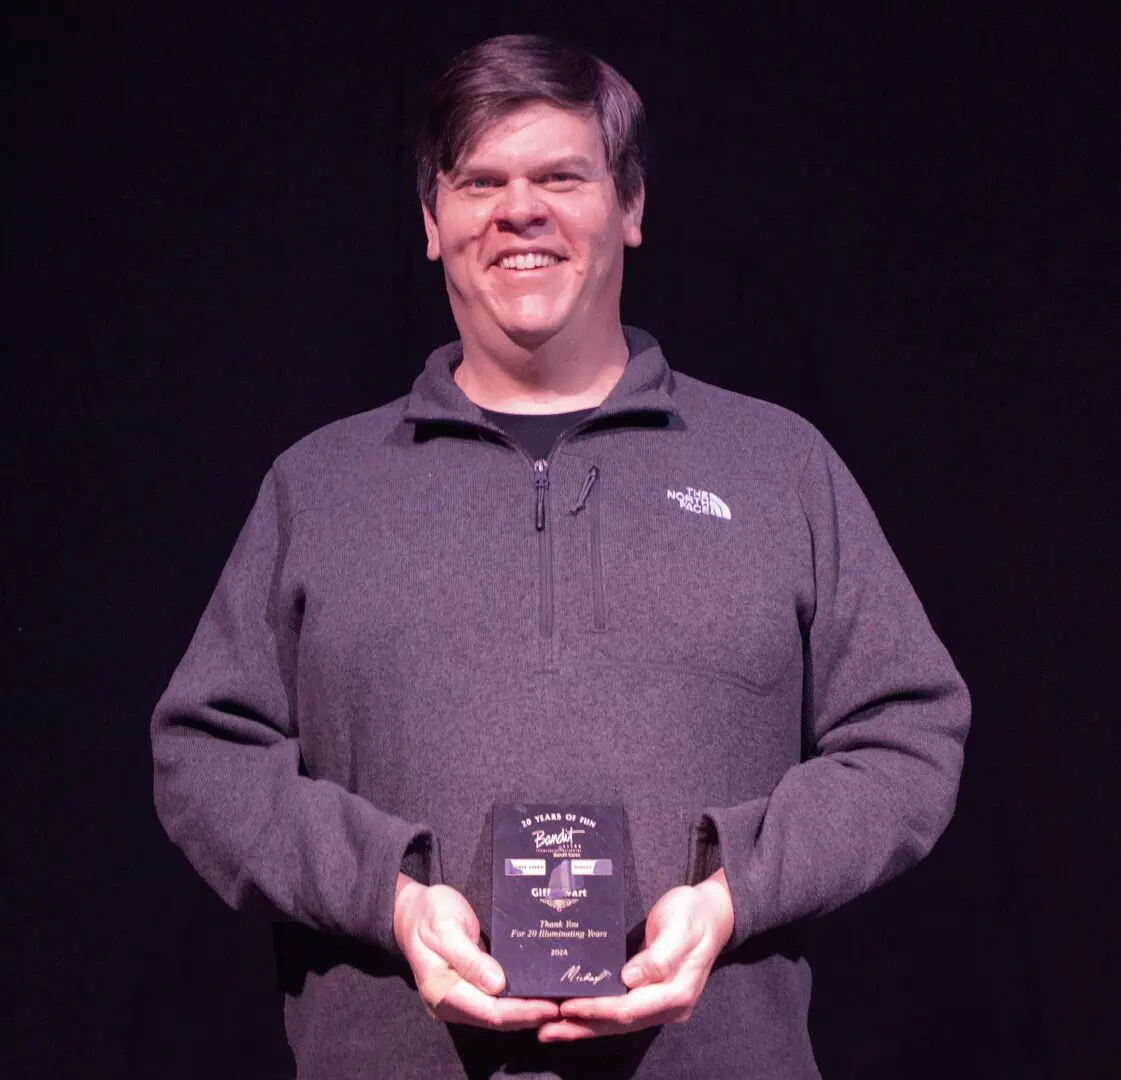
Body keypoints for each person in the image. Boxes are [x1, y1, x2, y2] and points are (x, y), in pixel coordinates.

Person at [151, 33, 970, 1080]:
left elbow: (909, 731)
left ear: (628, 207)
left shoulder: (779, 468)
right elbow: (204, 753)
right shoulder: (317, 488)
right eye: (480, 182)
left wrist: (733, 891)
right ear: (431, 223)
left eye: (559, 178)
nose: (518, 211)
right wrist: (386, 896)